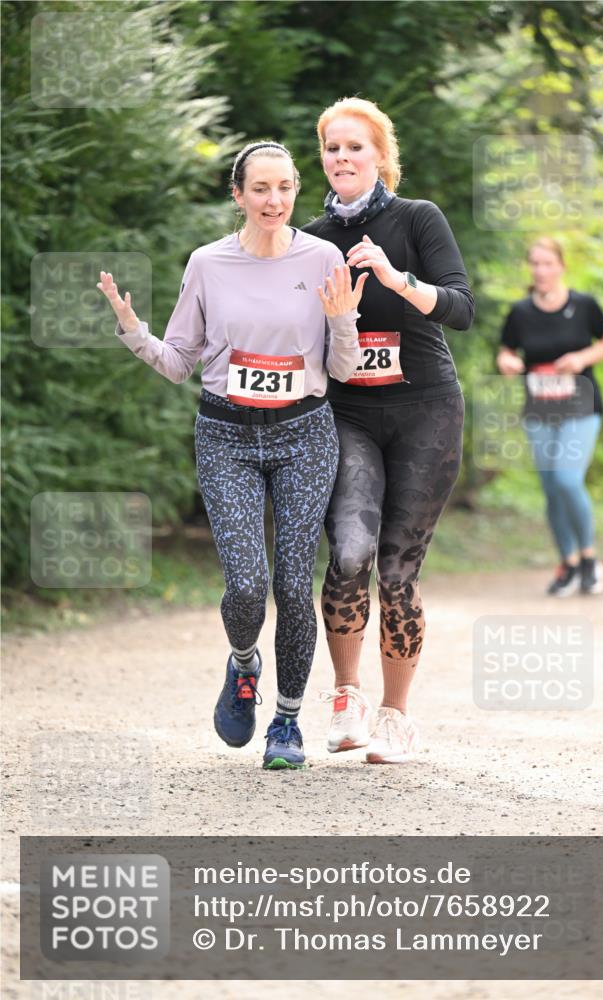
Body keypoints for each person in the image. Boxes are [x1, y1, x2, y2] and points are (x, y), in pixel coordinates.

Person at [97, 140, 367, 769]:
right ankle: (244, 665)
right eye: (260, 189)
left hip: (305, 432)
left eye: (285, 187)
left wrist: (346, 321)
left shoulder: (323, 256)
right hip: (227, 436)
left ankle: (288, 723)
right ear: (238, 194)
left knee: (294, 585)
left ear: (297, 189)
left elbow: (342, 370)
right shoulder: (208, 264)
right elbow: (180, 362)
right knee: (247, 587)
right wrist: (133, 332)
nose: (274, 201)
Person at [301, 97, 475, 764]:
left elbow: (460, 308)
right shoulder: (311, 240)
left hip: (426, 408)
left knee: (398, 571)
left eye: (354, 147)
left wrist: (397, 280)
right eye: (331, 147)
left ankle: (396, 716)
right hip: (346, 413)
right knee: (348, 554)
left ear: (380, 157)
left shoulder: (416, 219)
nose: (341, 158)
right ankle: (347, 700)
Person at [496, 236, 603, 596]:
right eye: (535, 263)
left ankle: (589, 559)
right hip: (539, 409)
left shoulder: (584, 305)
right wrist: (507, 362)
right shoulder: (520, 312)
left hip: (581, 405)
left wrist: (582, 359)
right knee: (551, 490)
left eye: (548, 263)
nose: (541, 270)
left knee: (567, 479)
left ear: (562, 266)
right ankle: (567, 563)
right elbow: (506, 351)